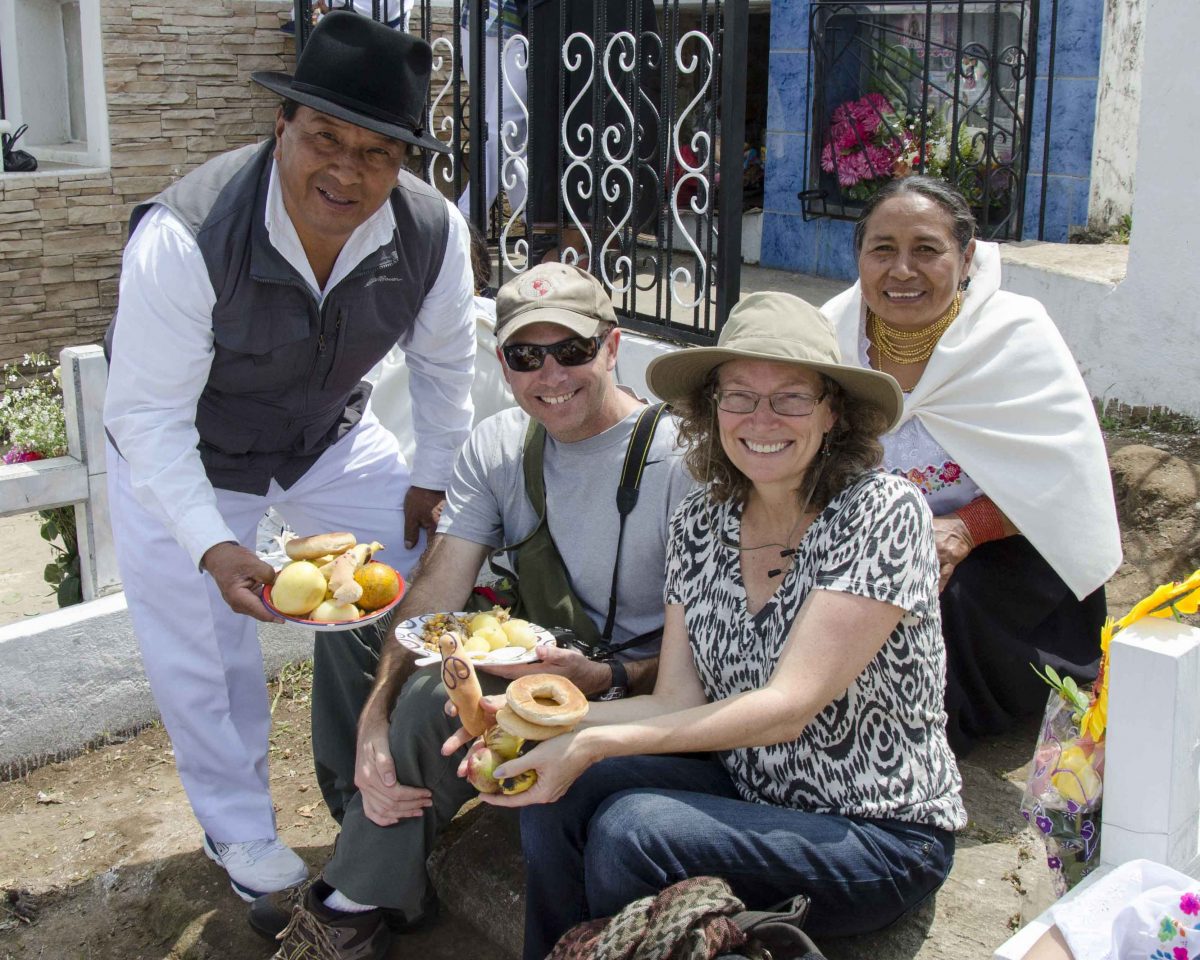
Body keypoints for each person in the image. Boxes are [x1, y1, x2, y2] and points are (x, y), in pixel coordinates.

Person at [467, 291, 967, 959]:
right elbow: (676, 699)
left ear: (831, 412)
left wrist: (592, 743)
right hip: (750, 791)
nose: (761, 419)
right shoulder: (702, 522)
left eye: (790, 397)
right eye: (738, 396)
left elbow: (788, 708)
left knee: (633, 829)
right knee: (561, 791)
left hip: (875, 831)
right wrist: (533, 719)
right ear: (711, 410)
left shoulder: (880, 511)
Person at [103, 12, 476, 903]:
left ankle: (392, 770)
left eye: (378, 152)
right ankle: (239, 833)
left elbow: (446, 366)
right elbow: (149, 416)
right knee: (205, 648)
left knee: (437, 569)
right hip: (187, 451)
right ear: (283, 129)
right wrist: (212, 543)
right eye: (324, 138)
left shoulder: (432, 231)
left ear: (402, 162)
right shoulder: (186, 235)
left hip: (327, 439)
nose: (346, 171)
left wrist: (434, 478)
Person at [253, 262, 694, 959]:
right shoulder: (498, 444)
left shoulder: (679, 461)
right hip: (531, 639)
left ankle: (351, 902)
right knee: (360, 635)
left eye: (573, 351)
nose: (551, 375)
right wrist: (373, 716)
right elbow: (438, 588)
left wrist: (612, 675)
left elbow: (698, 655)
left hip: (619, 675)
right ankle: (370, 843)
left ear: (613, 348)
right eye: (526, 356)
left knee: (435, 695)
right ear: (505, 365)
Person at [821, 175, 1122, 754]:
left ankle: (909, 745)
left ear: (966, 258)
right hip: (867, 534)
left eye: (926, 250)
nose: (902, 270)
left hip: (1002, 548)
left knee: (940, 603)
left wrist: (965, 530)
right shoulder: (830, 334)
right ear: (859, 256)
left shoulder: (1014, 334)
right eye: (882, 249)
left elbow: (1061, 477)